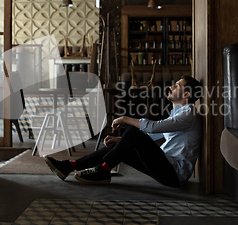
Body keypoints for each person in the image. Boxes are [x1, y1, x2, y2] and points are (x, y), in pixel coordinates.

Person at [43, 75, 202, 188]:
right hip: (166, 168)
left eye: (177, 86)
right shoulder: (178, 114)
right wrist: (119, 141)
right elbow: (152, 135)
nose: (172, 86)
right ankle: (69, 166)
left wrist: (124, 118)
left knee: (134, 132)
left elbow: (151, 128)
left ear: (186, 94)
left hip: (174, 174)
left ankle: (103, 170)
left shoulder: (189, 113)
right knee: (121, 144)